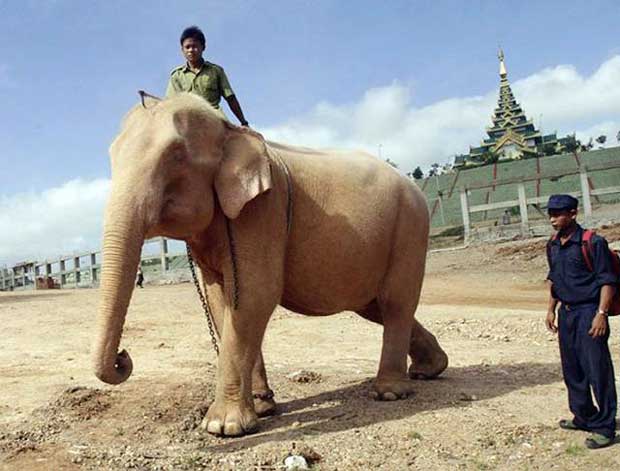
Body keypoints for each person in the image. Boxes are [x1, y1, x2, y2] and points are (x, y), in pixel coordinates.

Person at [545, 194, 617, 449]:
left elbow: (607, 281)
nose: (553, 219)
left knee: (597, 371)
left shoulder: (593, 243)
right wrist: (551, 310)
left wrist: (601, 314)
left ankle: (605, 427)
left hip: (589, 312)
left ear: (573, 214)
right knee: (572, 369)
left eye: (559, 214)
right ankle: (583, 415)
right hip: (567, 313)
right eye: (550, 215)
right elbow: (554, 279)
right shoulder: (552, 244)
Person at [166, 25, 249, 126]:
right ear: (182, 50)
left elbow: (230, 98)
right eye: (187, 47)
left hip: (215, 119)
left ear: (203, 47)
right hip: (188, 122)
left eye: (195, 46)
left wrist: (243, 122)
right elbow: (170, 104)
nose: (191, 50)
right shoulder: (177, 75)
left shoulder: (216, 71)